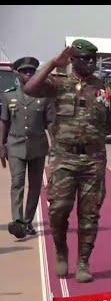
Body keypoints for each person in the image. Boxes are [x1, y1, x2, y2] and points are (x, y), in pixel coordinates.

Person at [23, 39, 111, 282]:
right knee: (58, 210)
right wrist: (51, 64)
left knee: (89, 215)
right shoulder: (58, 84)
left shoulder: (106, 89)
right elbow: (29, 88)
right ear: (73, 60)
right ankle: (61, 250)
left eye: (93, 59)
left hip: (93, 159)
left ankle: (83, 262)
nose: (90, 63)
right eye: (84, 58)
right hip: (63, 157)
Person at [0, 57, 55, 238]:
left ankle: (27, 221)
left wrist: (55, 145)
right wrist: (1, 144)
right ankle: (17, 221)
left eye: (31, 71)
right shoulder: (9, 95)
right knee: (17, 184)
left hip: (38, 146)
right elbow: (4, 121)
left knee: (35, 186)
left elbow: (50, 123)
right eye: (24, 71)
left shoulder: (45, 97)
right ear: (17, 73)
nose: (28, 74)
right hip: (15, 145)